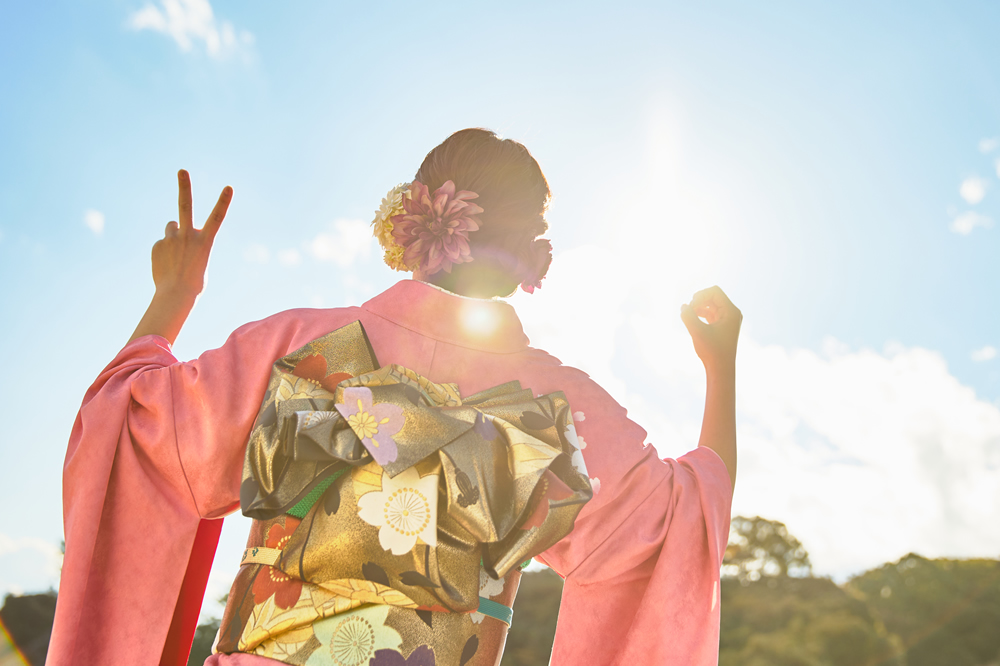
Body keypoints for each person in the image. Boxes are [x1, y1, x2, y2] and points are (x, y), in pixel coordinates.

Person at [49, 128, 740, 666]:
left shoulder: (298, 344)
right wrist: (720, 368)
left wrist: (174, 297)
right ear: (532, 252)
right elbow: (684, 528)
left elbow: (130, 427)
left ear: (412, 220)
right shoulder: (561, 404)